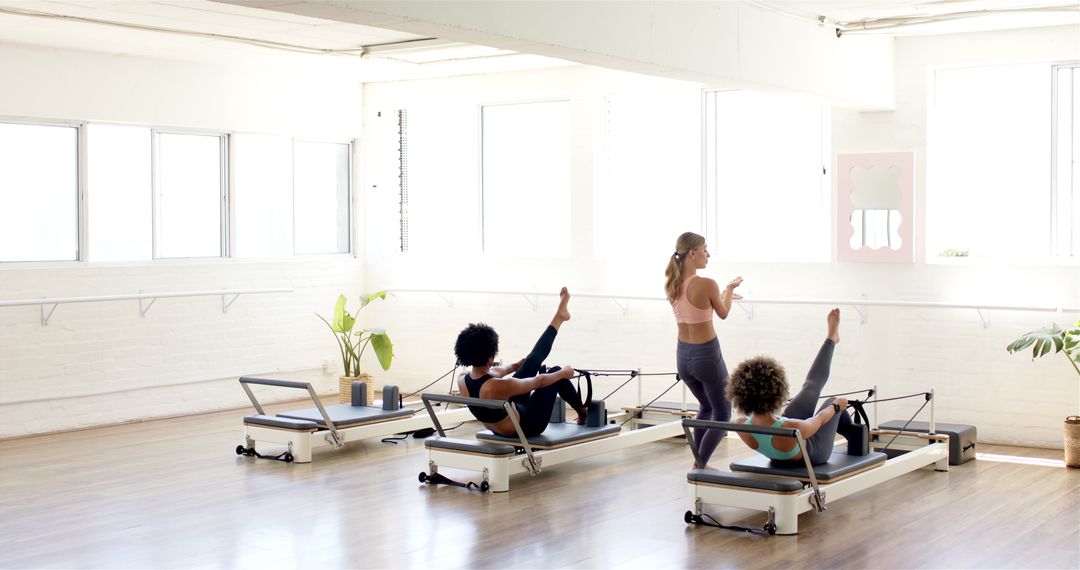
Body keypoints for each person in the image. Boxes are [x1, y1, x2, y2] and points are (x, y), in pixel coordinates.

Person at [726, 308, 861, 465]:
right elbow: (820, 418)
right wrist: (837, 406)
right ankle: (852, 431)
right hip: (814, 453)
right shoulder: (793, 427)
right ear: (777, 393)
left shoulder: (741, 425)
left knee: (810, 388)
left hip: (784, 440)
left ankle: (831, 338)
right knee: (832, 401)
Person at [455, 287, 587, 438]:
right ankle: (583, 414)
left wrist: (516, 366)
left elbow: (497, 371)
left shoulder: (463, 379)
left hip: (507, 418)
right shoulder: (495, 386)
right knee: (556, 373)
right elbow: (539, 381)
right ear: (490, 357)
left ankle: (560, 316)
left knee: (532, 360)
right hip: (527, 426)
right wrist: (564, 372)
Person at [665, 231, 743, 467]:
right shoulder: (708, 284)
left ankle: (700, 461)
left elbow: (697, 307)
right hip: (706, 356)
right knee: (722, 413)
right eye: (705, 249)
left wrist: (721, 295)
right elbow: (723, 313)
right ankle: (699, 465)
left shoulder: (672, 283)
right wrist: (729, 290)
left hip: (683, 356)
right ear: (692, 253)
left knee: (706, 407)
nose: (708, 254)